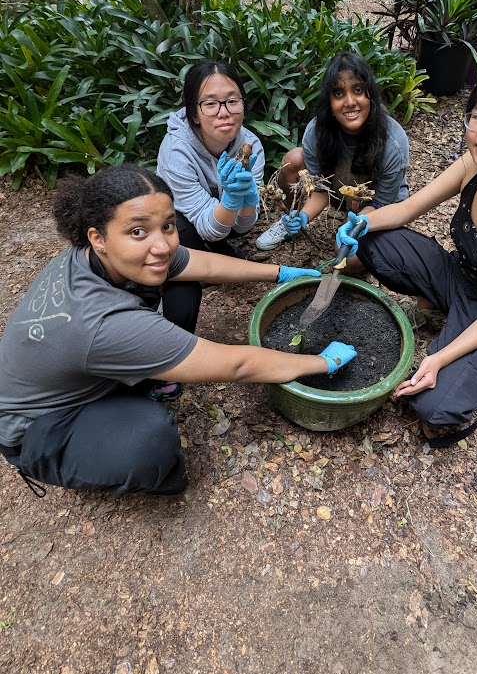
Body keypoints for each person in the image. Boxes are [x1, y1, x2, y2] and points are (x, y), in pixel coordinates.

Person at [0, 165, 356, 497]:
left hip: (80, 368)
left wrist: (280, 273)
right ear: (98, 237)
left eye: (167, 226)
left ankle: (153, 376)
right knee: (149, 438)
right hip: (37, 426)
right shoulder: (106, 325)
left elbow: (201, 262)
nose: (162, 245)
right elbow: (238, 366)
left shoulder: (88, 258)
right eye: (137, 231)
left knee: (181, 284)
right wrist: (323, 362)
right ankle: (148, 474)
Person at [336, 63, 477, 448]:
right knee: (373, 239)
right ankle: (439, 310)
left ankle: (460, 352)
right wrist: (360, 225)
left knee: (433, 407)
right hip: (456, 274)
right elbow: (407, 210)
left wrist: (437, 360)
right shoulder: (474, 163)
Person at [254, 52, 410, 271]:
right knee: (293, 160)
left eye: (357, 90)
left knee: (346, 257)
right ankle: (290, 223)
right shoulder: (316, 133)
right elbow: (321, 189)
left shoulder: (393, 141)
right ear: (329, 101)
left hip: (379, 205)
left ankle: (385, 243)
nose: (349, 102)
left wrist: (350, 227)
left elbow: (381, 203)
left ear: (370, 95)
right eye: (338, 93)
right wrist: (304, 216)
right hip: (340, 193)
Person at [157, 60, 263, 334]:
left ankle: (219, 252)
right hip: (188, 220)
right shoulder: (177, 152)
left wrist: (248, 200)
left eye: (232, 101)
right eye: (210, 104)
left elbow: (243, 226)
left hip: (220, 221)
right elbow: (207, 226)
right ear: (194, 113)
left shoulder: (251, 146)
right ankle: (197, 262)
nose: (224, 113)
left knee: (232, 227)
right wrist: (230, 201)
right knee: (180, 229)